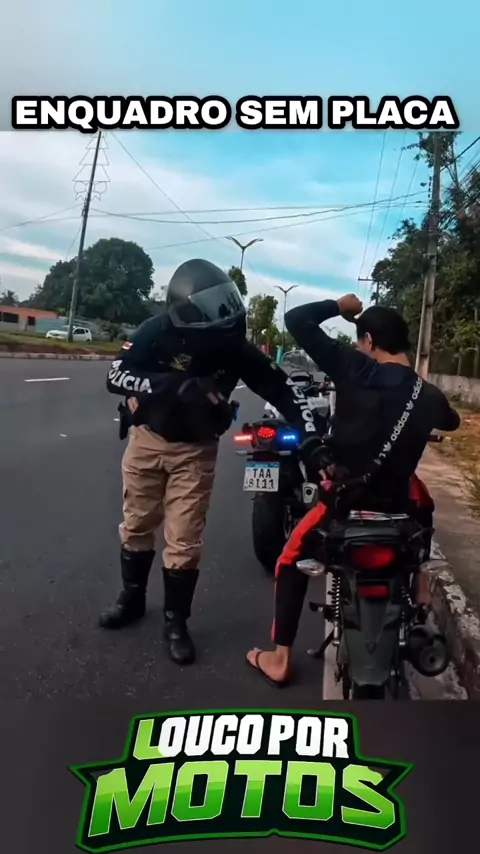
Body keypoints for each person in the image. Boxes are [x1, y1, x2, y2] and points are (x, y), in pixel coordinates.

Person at [99, 258, 316, 667]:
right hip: (147, 441)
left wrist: (311, 435)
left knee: (184, 540)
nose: (224, 317)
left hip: (196, 450)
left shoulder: (234, 348)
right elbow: (116, 375)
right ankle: (131, 599)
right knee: (137, 524)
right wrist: (173, 385)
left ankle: (175, 621)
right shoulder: (155, 331)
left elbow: (281, 388)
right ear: (186, 313)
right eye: (211, 310)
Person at [247, 294, 460, 687]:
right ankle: (420, 583)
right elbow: (453, 422)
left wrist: (340, 306)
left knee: (288, 561)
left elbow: (297, 319)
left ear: (369, 340)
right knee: (424, 501)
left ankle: (280, 659)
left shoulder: (354, 367)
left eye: (362, 342)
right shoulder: (428, 395)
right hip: (399, 509)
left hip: (345, 506)